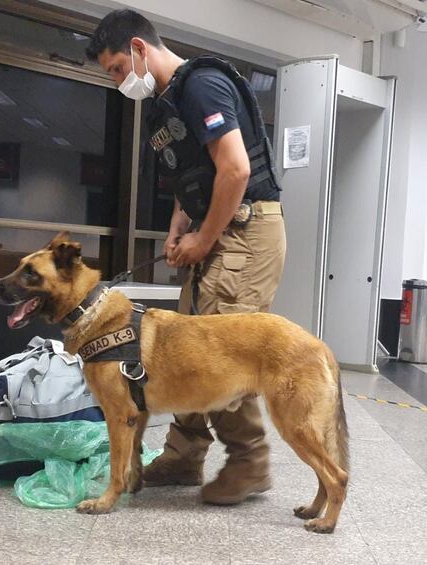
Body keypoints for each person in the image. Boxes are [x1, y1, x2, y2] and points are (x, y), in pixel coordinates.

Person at [86, 9, 286, 505]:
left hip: (243, 232)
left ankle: (250, 461)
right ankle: (184, 454)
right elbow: (197, 171)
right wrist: (182, 221)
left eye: (115, 68)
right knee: (183, 352)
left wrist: (204, 237)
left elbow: (235, 170)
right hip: (214, 228)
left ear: (138, 47)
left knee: (221, 353)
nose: (117, 81)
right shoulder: (167, 102)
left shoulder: (202, 87)